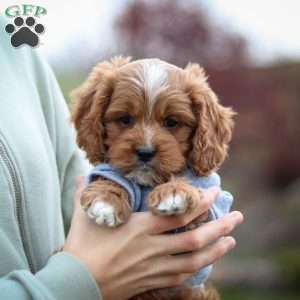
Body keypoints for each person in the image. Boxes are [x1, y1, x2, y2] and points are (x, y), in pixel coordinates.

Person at [0, 17, 243, 300]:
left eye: (172, 123)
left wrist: (183, 197)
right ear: (98, 121)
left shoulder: (18, 54)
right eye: (124, 120)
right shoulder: (110, 177)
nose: (146, 144)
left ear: (202, 129)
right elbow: (91, 193)